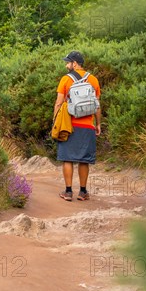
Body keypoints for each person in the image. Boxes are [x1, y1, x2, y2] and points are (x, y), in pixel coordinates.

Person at [53, 51, 101, 201]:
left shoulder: (65, 80)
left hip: (69, 125)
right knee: (84, 159)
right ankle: (83, 192)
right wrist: (98, 123)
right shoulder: (93, 80)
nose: (66, 65)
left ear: (74, 63)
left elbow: (59, 103)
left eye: (68, 62)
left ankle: (68, 192)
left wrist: (55, 122)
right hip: (87, 126)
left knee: (67, 158)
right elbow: (97, 105)